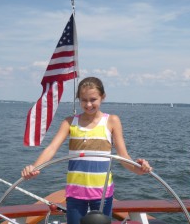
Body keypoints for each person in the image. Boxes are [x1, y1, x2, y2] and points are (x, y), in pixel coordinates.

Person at [21, 77, 152, 224]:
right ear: (78, 99)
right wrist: (35, 167)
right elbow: (52, 148)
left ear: (103, 97)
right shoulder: (70, 122)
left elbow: (123, 156)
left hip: (102, 193)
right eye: (84, 100)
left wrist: (138, 168)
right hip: (75, 192)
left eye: (93, 99)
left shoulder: (112, 121)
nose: (88, 104)